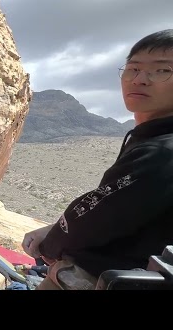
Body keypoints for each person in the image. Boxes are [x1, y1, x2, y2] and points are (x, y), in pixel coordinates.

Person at [22, 29, 173, 290]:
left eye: (162, 71)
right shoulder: (150, 138)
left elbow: (99, 218)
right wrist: (54, 230)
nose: (140, 79)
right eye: (133, 68)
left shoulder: (163, 151)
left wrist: (51, 244)